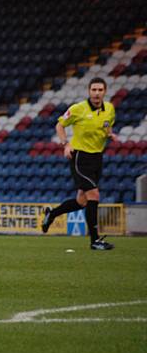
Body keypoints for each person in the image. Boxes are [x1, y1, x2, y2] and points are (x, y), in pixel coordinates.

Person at [41, 77, 117, 250]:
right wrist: (65, 144)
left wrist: (109, 134)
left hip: (97, 158)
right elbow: (60, 125)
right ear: (89, 91)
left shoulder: (110, 109)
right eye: (94, 90)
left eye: (100, 90)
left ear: (104, 91)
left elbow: (106, 126)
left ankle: (51, 214)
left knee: (81, 201)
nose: (97, 93)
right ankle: (95, 240)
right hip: (80, 158)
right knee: (94, 195)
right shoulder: (78, 109)